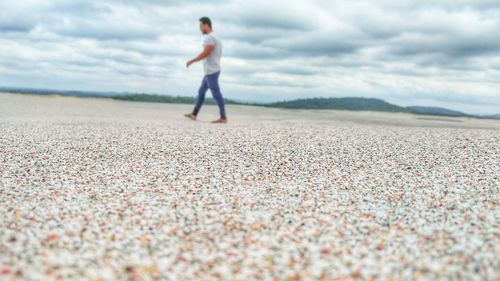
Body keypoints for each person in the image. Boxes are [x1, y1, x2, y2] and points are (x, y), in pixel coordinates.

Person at [185, 17, 228, 124]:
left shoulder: (210, 38)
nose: (200, 29)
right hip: (211, 71)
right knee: (201, 92)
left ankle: (223, 118)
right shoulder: (216, 37)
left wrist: (192, 60)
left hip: (212, 71)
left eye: (200, 26)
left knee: (216, 94)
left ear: (206, 25)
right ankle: (194, 114)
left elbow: (206, 53)